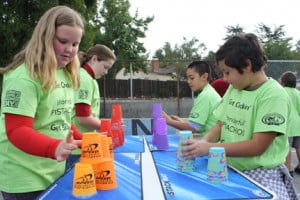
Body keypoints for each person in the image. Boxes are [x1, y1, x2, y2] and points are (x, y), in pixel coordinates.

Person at [181, 33, 298, 199]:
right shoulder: (235, 88)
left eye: (227, 72)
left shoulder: (273, 95)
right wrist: (203, 143)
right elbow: (220, 125)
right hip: (230, 166)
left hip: (262, 173)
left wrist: (208, 148)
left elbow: (258, 146)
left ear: (247, 65)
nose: (225, 78)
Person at [0, 6, 84, 200]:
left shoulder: (65, 73)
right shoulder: (24, 77)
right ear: (45, 37)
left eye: (75, 44)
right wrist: (54, 147)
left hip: (53, 174)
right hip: (24, 180)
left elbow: (60, 118)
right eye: (63, 41)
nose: (70, 50)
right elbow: (17, 130)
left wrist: (90, 141)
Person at [66, 44, 116, 170]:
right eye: (105, 67)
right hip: (77, 148)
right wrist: (110, 127)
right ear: (94, 59)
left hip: (83, 144)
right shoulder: (84, 79)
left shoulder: (89, 79)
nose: (106, 72)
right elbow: (82, 117)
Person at [163, 61, 221, 136]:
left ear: (204, 76)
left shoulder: (205, 96)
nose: (188, 81)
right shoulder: (209, 92)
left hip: (212, 144)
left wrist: (168, 121)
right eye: (188, 78)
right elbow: (199, 125)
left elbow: (194, 128)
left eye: (192, 78)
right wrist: (181, 122)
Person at [279, 71, 300, 176]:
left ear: (283, 81)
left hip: (288, 124)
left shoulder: (281, 91)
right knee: (298, 146)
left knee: (286, 147)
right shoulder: (297, 92)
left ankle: (288, 168)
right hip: (298, 123)